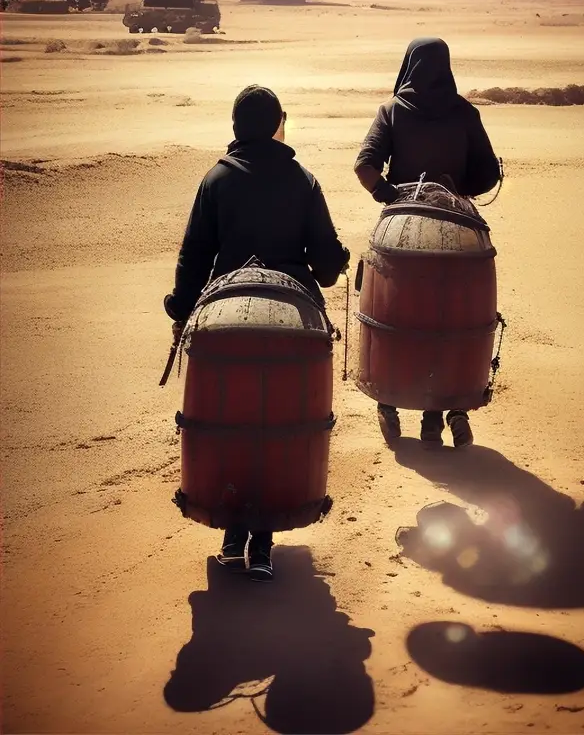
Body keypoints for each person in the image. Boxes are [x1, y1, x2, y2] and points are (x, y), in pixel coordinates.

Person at [164, 85, 350, 582]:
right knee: (276, 423)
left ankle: (231, 533)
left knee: (233, 419)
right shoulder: (303, 180)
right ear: (276, 125)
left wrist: (180, 309)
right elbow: (328, 266)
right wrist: (336, 259)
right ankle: (262, 542)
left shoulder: (216, 179)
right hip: (294, 322)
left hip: (226, 318)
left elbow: (194, 256)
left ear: (235, 126)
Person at [354, 37, 501, 451]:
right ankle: (441, 415)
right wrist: (457, 195)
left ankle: (388, 400)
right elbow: (488, 172)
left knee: (393, 313)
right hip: (458, 233)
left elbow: (365, 165)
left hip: (403, 231)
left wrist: (390, 195)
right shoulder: (465, 113)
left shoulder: (393, 111)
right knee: (448, 317)